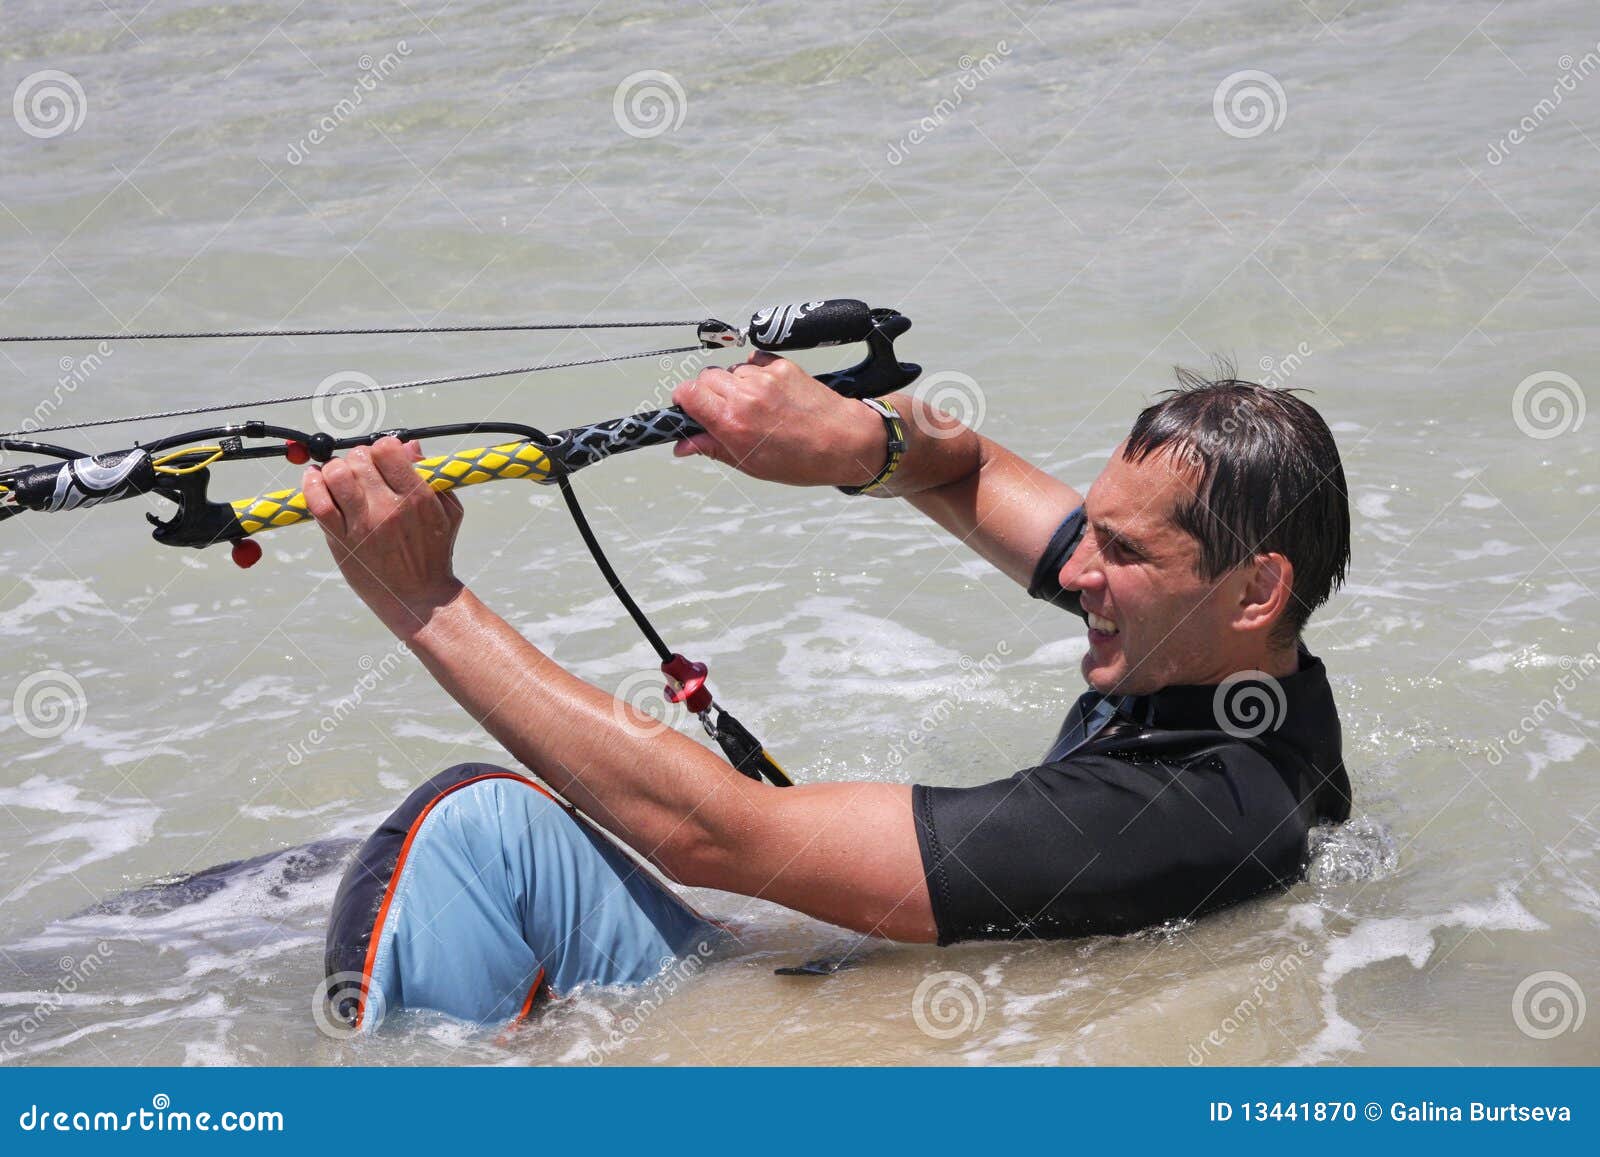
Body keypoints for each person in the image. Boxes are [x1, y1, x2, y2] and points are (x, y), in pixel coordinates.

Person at [315, 354, 1352, 1029]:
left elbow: (714, 834)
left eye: (1119, 550)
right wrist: (860, 439)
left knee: (474, 828)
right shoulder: (1242, 670)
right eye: (1091, 525)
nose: (1076, 568)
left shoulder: (1184, 810)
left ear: (1255, 586)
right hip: (838, 972)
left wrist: (424, 600)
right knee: (319, 872)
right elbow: (965, 464)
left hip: (771, 1027)